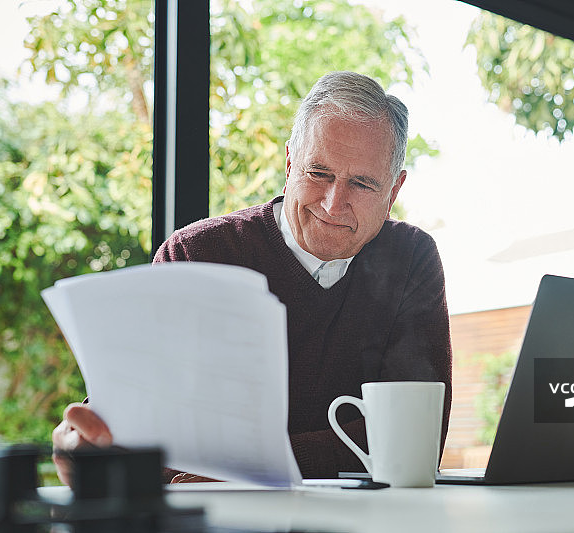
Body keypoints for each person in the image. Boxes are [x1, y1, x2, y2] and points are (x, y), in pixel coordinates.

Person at [52, 71, 452, 485]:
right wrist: (83, 448)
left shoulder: (411, 259)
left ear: (394, 190)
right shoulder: (195, 255)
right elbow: (143, 436)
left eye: (362, 183)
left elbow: (413, 440)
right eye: (319, 173)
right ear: (289, 164)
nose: (334, 204)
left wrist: (240, 472)